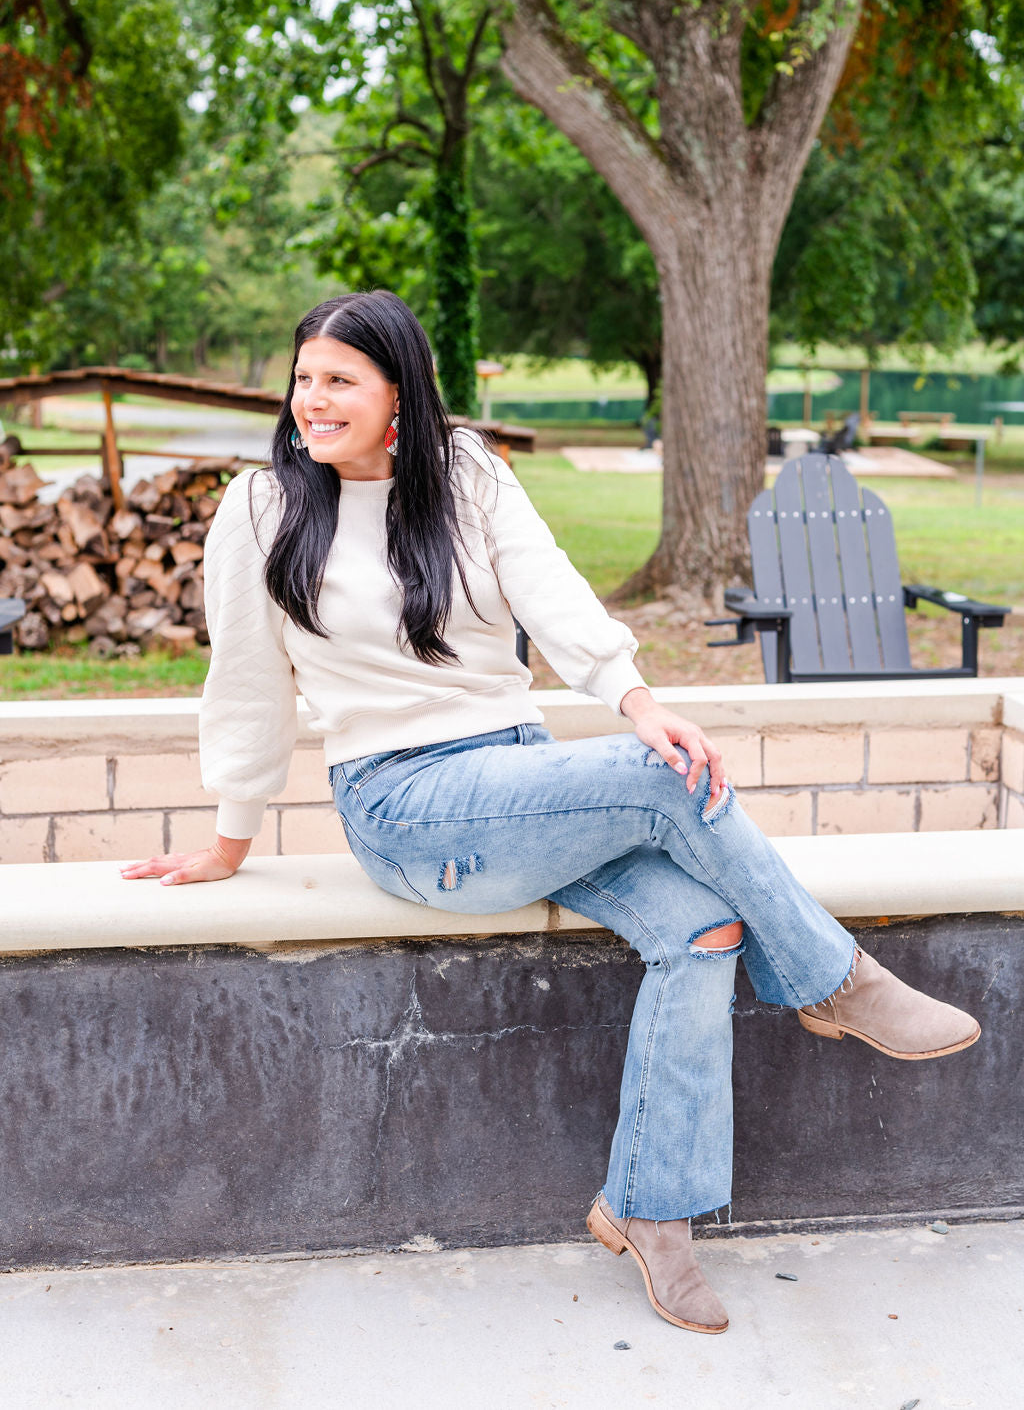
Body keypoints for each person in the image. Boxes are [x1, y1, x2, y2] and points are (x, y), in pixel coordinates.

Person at [119, 290, 980, 1334]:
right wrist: (227, 840)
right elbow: (247, 683)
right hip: (404, 805)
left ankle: (648, 1212)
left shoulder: (469, 474)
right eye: (303, 377)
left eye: (339, 378)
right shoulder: (261, 509)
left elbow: (552, 593)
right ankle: (834, 981)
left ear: (400, 392)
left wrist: (636, 697)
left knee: (701, 927)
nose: (311, 398)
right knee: (663, 778)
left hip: (518, 775)